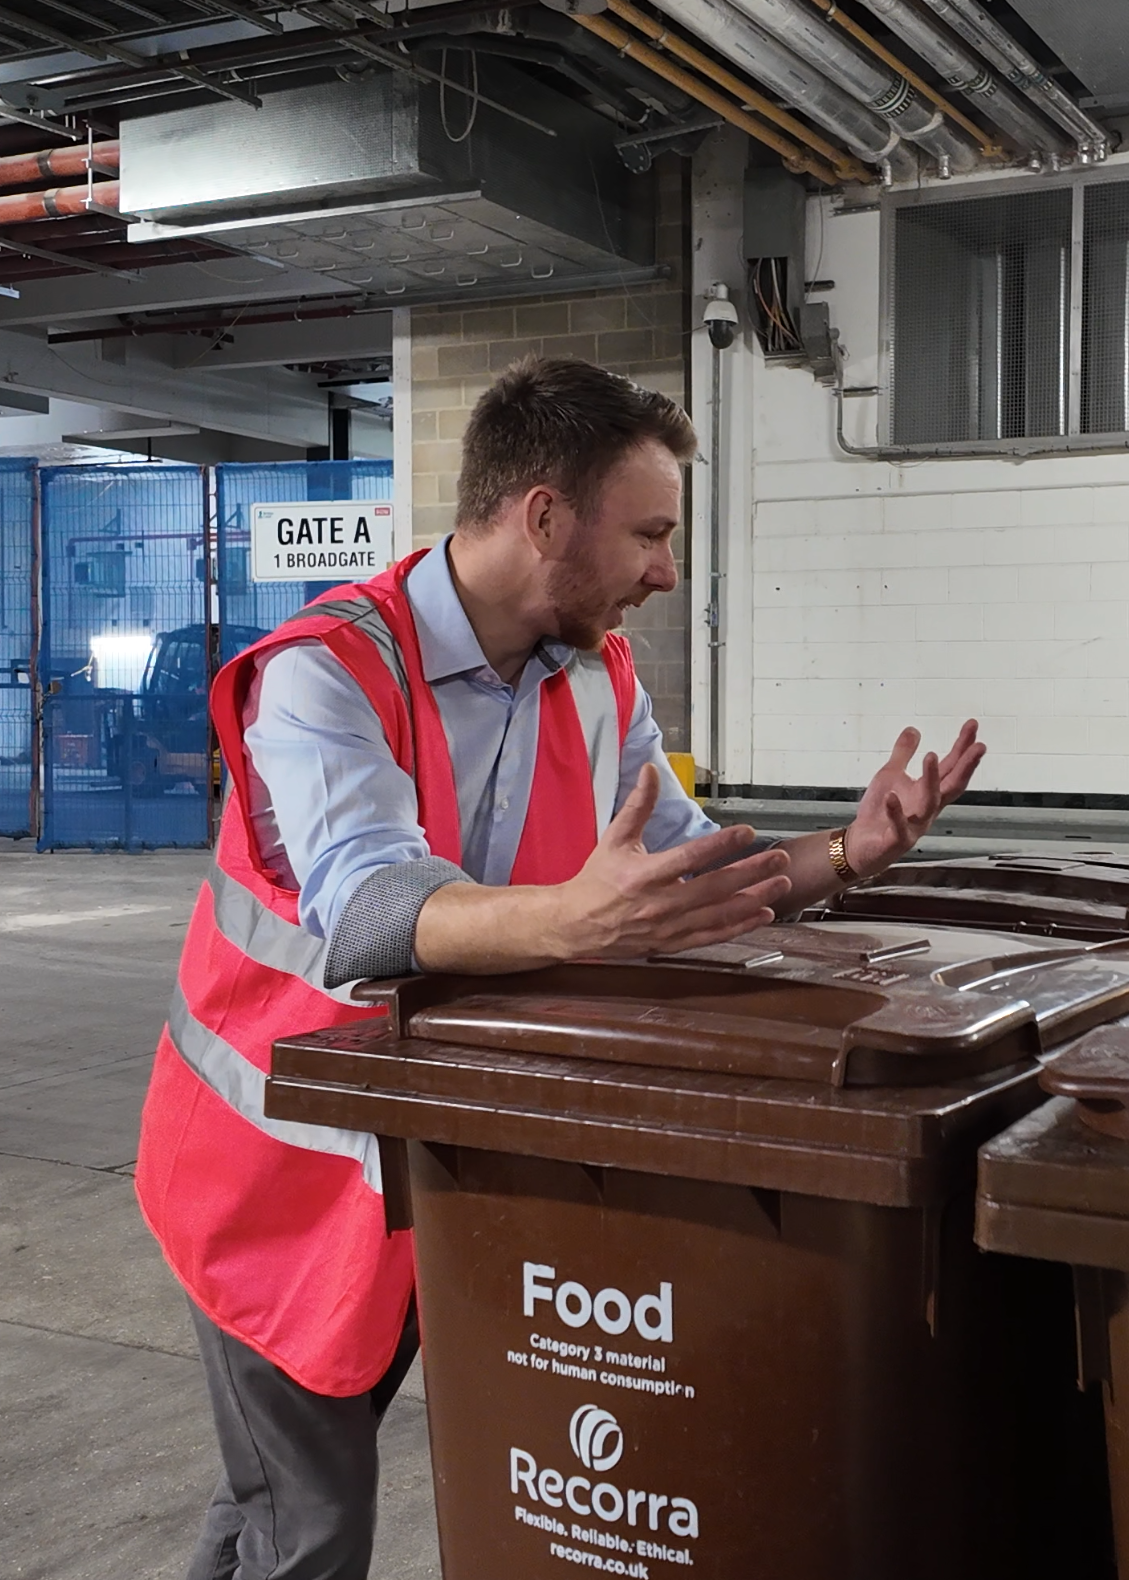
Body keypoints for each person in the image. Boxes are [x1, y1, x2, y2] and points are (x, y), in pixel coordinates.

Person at [135, 356, 986, 1580]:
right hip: (275, 1175)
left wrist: (847, 852)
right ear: (544, 515)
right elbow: (367, 911)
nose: (667, 571)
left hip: (441, 1156)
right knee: (309, 1525)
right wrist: (579, 926)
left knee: (276, 1498)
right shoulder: (324, 672)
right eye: (648, 532)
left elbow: (688, 879)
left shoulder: (596, 675)